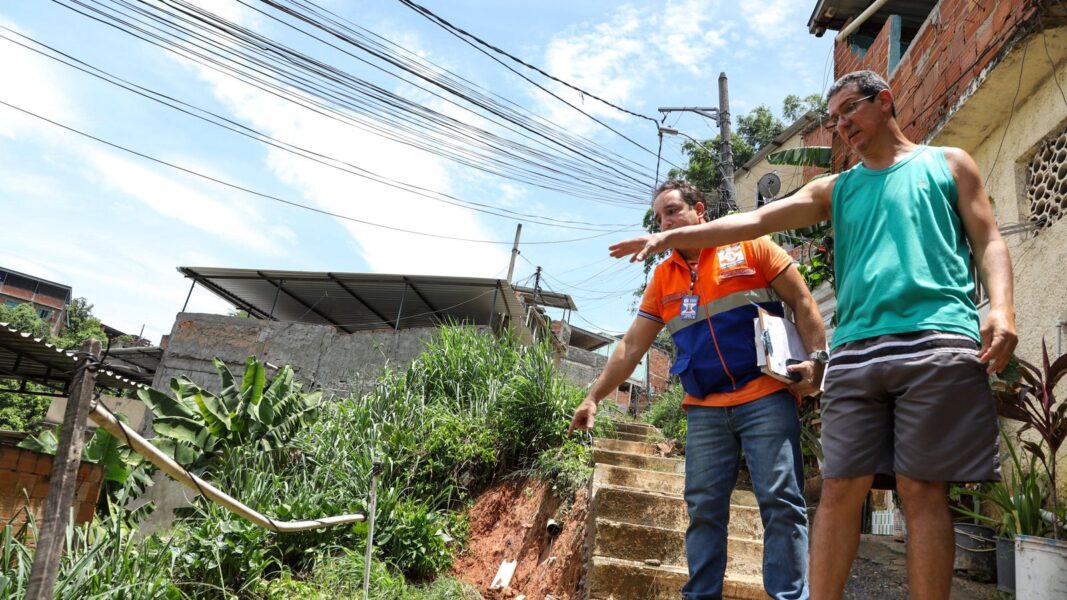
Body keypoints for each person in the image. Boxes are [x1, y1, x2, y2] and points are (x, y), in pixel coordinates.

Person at [609, 70, 1017, 600]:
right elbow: (751, 220)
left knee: (922, 490)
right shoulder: (835, 189)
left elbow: (989, 239)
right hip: (855, 352)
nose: (841, 124)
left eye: (850, 109)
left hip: (936, 339)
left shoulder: (949, 164)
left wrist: (1001, 309)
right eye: (834, 117)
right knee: (842, 487)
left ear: (885, 100)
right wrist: (670, 235)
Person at [569, 179, 826, 600]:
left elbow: (802, 300)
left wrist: (817, 361)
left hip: (765, 396)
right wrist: (593, 396)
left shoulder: (750, 245)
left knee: (782, 503)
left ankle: (788, 596)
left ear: (699, 210)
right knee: (704, 510)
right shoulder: (662, 280)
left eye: (672, 211)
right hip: (704, 408)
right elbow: (632, 345)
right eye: (659, 217)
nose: (664, 222)